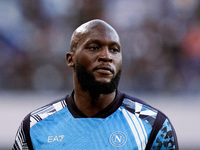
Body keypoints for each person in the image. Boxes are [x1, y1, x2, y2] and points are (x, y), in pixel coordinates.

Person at [12, 19, 178, 150]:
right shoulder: (35, 127)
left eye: (114, 50)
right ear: (71, 59)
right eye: (94, 47)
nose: (106, 56)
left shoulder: (154, 126)